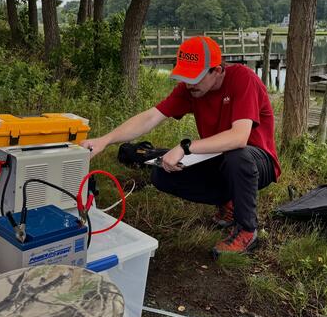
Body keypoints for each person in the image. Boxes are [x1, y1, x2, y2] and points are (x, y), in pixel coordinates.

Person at [81, 36, 280, 257]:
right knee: (162, 174)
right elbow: (150, 118)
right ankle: (228, 200)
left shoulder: (243, 79)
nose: (189, 83)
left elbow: (239, 137)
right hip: (220, 159)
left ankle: (246, 230)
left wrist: (186, 147)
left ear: (217, 70)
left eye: (194, 77)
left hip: (257, 161)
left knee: (237, 156)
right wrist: (105, 140)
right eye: (185, 76)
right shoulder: (191, 89)